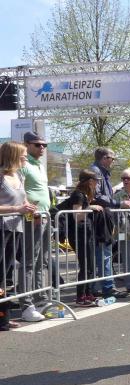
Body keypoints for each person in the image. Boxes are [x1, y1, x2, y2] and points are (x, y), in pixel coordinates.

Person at [0, 142, 39, 320]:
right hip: (2, 228)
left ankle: (3, 318)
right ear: (13, 155)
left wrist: (31, 210)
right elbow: (14, 206)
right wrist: (17, 209)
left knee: (5, 275)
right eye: (23, 154)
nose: (26, 158)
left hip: (16, 229)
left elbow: (22, 202)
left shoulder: (19, 176)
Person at [89, 147, 130, 299]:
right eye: (112, 158)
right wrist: (118, 203)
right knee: (103, 253)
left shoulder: (100, 172)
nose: (113, 161)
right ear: (104, 158)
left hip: (102, 216)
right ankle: (107, 287)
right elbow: (98, 195)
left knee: (101, 253)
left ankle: (95, 287)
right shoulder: (96, 172)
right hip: (99, 218)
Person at [19, 132, 50, 319]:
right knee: (30, 261)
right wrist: (31, 210)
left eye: (44, 145)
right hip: (33, 218)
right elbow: (19, 189)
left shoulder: (39, 165)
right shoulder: (24, 164)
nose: (42, 148)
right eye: (38, 145)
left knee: (42, 261)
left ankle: (41, 298)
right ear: (27, 144)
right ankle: (26, 303)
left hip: (45, 216)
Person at [66, 170, 104, 306]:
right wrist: (90, 207)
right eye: (96, 180)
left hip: (87, 233)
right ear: (90, 181)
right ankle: (80, 295)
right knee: (85, 265)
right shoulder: (78, 194)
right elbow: (76, 216)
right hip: (79, 234)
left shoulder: (85, 195)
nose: (97, 183)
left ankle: (88, 293)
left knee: (90, 265)